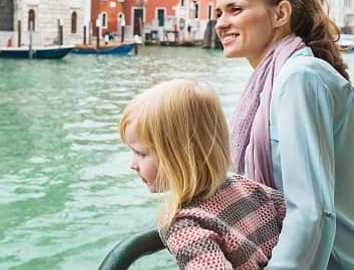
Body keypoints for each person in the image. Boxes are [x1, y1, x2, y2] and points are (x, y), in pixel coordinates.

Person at [214, 0, 354, 269]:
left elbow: (312, 212)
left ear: (280, 14)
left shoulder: (300, 79)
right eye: (218, 12)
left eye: (236, 10)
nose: (220, 23)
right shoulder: (292, 76)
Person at [120, 80, 286, 269]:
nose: (132, 165)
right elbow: (296, 223)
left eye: (140, 153)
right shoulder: (242, 185)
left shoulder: (183, 223)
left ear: (181, 155)